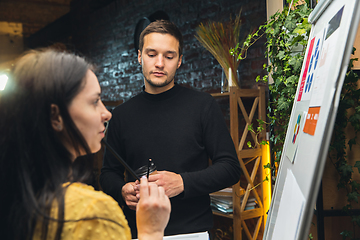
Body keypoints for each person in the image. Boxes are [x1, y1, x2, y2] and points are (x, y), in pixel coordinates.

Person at [0, 48, 170, 240]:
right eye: (95, 101)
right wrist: (151, 231)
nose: (106, 113)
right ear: (56, 116)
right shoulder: (93, 214)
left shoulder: (16, 197)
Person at [100, 20, 242, 238]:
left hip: (192, 232)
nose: (159, 63)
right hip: (139, 232)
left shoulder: (203, 106)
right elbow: (108, 174)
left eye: (169, 56)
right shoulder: (120, 115)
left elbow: (231, 168)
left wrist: (183, 182)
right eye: (151, 54)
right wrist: (121, 190)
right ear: (139, 56)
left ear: (179, 61)